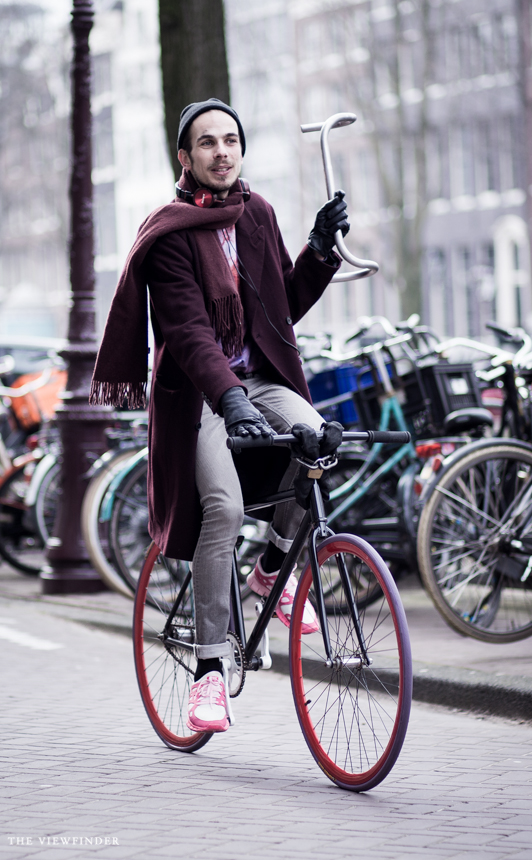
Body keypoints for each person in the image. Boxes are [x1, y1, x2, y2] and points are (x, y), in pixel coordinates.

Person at [90, 98, 349, 734]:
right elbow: (185, 330)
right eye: (206, 143)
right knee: (226, 509)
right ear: (185, 157)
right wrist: (228, 401)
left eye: (230, 140)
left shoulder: (257, 213)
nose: (222, 152)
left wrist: (319, 249)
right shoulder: (169, 232)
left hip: (259, 380)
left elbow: (280, 306)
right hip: (198, 397)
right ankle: (208, 674)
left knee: (316, 442)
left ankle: (270, 573)